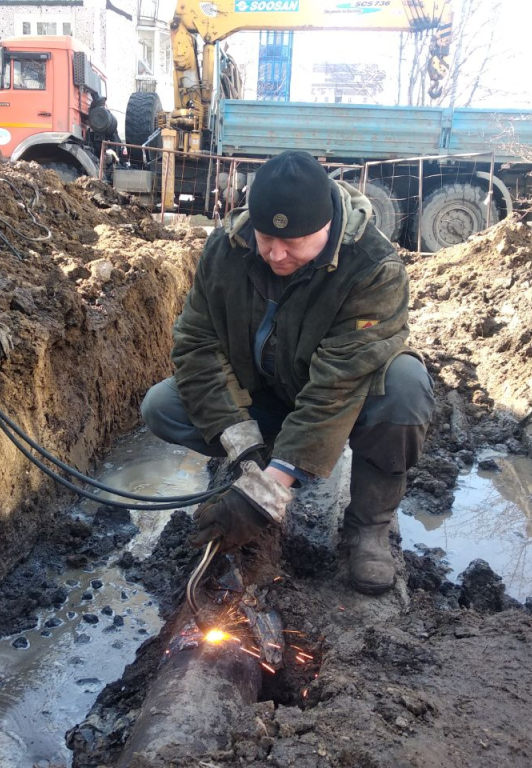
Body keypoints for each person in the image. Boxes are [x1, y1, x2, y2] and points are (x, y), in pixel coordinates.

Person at [141, 150, 435, 597]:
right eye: (266, 239)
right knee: (162, 405)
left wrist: (271, 489)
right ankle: (269, 453)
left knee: (404, 389)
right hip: (263, 390)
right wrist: (241, 446)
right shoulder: (227, 249)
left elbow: (339, 382)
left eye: (294, 243)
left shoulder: (374, 267)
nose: (276, 254)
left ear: (327, 226)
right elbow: (197, 345)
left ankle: (368, 528)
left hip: (338, 400)